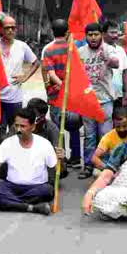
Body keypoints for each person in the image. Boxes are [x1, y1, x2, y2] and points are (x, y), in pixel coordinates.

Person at [0, 107, 56, 215]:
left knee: (48, 190)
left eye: (23, 126)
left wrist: (60, 158)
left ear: (33, 127)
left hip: (36, 188)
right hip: (11, 186)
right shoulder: (8, 143)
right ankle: (31, 207)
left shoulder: (44, 144)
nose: (18, 129)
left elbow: (55, 169)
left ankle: (7, 202)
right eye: (16, 125)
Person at [0, 15, 40, 165]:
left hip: (15, 99)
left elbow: (36, 62)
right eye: (7, 27)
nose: (11, 30)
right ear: (1, 29)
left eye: (13, 27)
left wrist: (25, 77)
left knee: (17, 131)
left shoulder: (22, 46)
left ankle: (14, 162)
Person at [78, 22, 119, 179]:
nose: (93, 37)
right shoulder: (80, 52)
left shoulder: (108, 49)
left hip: (105, 99)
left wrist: (107, 59)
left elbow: (117, 63)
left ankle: (105, 167)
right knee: (89, 135)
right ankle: (88, 165)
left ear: (101, 35)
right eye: (90, 34)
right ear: (86, 36)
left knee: (105, 135)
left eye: (96, 34)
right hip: (87, 100)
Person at [42, 19, 82, 167]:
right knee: (74, 128)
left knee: (58, 130)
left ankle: (62, 160)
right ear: (67, 32)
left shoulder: (48, 50)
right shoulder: (74, 49)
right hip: (73, 96)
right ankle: (76, 158)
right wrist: (69, 87)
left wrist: (60, 85)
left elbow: (50, 74)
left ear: (52, 31)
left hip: (56, 96)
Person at [25, 98, 67, 179]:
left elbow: (57, 154)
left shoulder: (52, 128)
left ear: (43, 116)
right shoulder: (20, 124)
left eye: (36, 116)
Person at [90, 106, 127, 174]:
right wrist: (108, 169)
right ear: (113, 123)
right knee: (96, 172)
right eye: (118, 126)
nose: (121, 129)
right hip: (113, 168)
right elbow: (94, 158)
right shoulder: (108, 137)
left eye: (124, 126)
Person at [102, 20, 127, 110]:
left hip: (119, 94)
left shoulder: (120, 50)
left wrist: (126, 93)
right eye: (112, 32)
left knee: (119, 120)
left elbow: (125, 72)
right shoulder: (99, 50)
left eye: (116, 32)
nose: (115, 35)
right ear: (103, 34)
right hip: (103, 95)